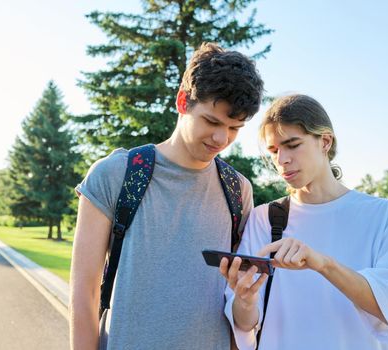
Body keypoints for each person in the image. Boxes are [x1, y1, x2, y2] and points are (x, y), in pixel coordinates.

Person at [69, 43, 264, 350]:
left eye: (234, 128)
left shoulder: (238, 189)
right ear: (183, 101)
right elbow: (84, 293)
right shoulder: (117, 174)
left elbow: (237, 299)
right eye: (212, 121)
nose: (221, 139)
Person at [220, 94, 388, 350]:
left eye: (292, 144)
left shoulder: (386, 216)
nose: (282, 160)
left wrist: (322, 264)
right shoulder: (264, 218)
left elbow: (386, 307)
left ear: (324, 141)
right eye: (274, 150)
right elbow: (245, 325)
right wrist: (244, 301)